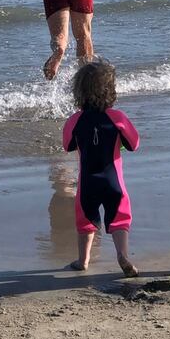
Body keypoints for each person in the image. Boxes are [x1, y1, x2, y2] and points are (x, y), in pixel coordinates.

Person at [62, 59, 140, 277]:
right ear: (111, 90)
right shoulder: (118, 118)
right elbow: (134, 144)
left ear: (79, 92)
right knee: (119, 219)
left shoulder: (75, 120)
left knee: (85, 221)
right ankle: (123, 255)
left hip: (87, 183)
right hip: (114, 182)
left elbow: (67, 145)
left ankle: (82, 260)